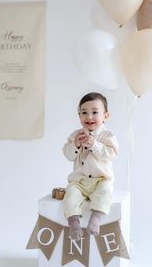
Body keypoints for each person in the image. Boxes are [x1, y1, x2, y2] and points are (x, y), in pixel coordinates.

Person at [62, 92, 119, 241]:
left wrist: (95, 145)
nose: (89, 117)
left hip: (101, 179)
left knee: (105, 193)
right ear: (79, 115)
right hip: (80, 181)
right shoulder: (76, 135)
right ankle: (74, 223)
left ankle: (96, 219)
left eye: (95, 112)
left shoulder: (108, 136)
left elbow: (112, 154)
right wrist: (76, 144)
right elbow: (68, 155)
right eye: (84, 113)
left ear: (106, 116)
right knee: (70, 196)